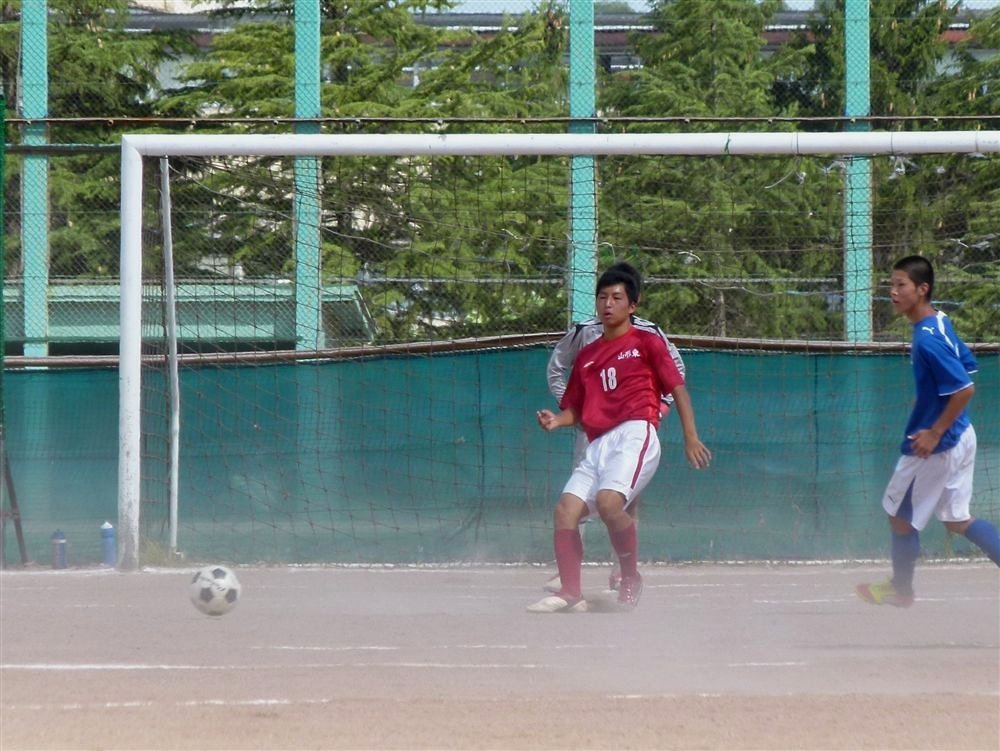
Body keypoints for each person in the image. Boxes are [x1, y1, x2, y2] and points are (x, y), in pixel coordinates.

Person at [528, 262, 712, 613]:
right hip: (597, 442)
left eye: (616, 297)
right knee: (565, 510)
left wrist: (691, 436)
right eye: (602, 297)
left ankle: (628, 576)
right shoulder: (587, 355)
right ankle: (570, 591)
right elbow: (577, 409)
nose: (608, 304)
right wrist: (557, 420)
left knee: (610, 502)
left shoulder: (647, 342)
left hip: (634, 433)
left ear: (633, 305)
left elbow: (678, 388)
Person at [856, 255, 1000, 608]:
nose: (893, 292)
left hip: (937, 445)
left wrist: (935, 430)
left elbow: (964, 388)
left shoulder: (928, 339)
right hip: (962, 434)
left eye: (901, 285)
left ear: (922, 289)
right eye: (891, 285)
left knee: (899, 517)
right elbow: (966, 364)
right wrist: (932, 402)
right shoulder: (939, 321)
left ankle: (900, 590)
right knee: (956, 519)